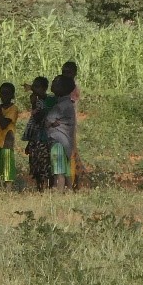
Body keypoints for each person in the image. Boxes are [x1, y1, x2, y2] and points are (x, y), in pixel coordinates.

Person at [46, 75, 77, 191]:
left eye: (55, 83)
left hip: (58, 140)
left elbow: (48, 121)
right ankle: (69, 190)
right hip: (66, 141)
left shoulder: (60, 106)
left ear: (62, 88)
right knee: (66, 169)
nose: (52, 84)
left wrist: (51, 123)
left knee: (59, 170)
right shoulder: (68, 103)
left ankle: (59, 192)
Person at [21, 76, 52, 190]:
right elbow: (34, 125)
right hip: (35, 139)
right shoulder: (39, 101)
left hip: (44, 139)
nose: (34, 89)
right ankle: (40, 188)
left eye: (37, 87)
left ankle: (46, 188)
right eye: (33, 86)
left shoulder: (47, 101)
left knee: (44, 165)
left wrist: (33, 104)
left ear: (44, 88)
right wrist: (29, 143)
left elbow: (38, 118)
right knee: (35, 165)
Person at [61, 60, 84, 189]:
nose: (65, 74)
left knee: (72, 151)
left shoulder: (73, 87)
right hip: (63, 123)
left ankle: (74, 181)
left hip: (70, 123)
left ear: (74, 73)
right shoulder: (64, 86)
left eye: (68, 72)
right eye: (64, 72)